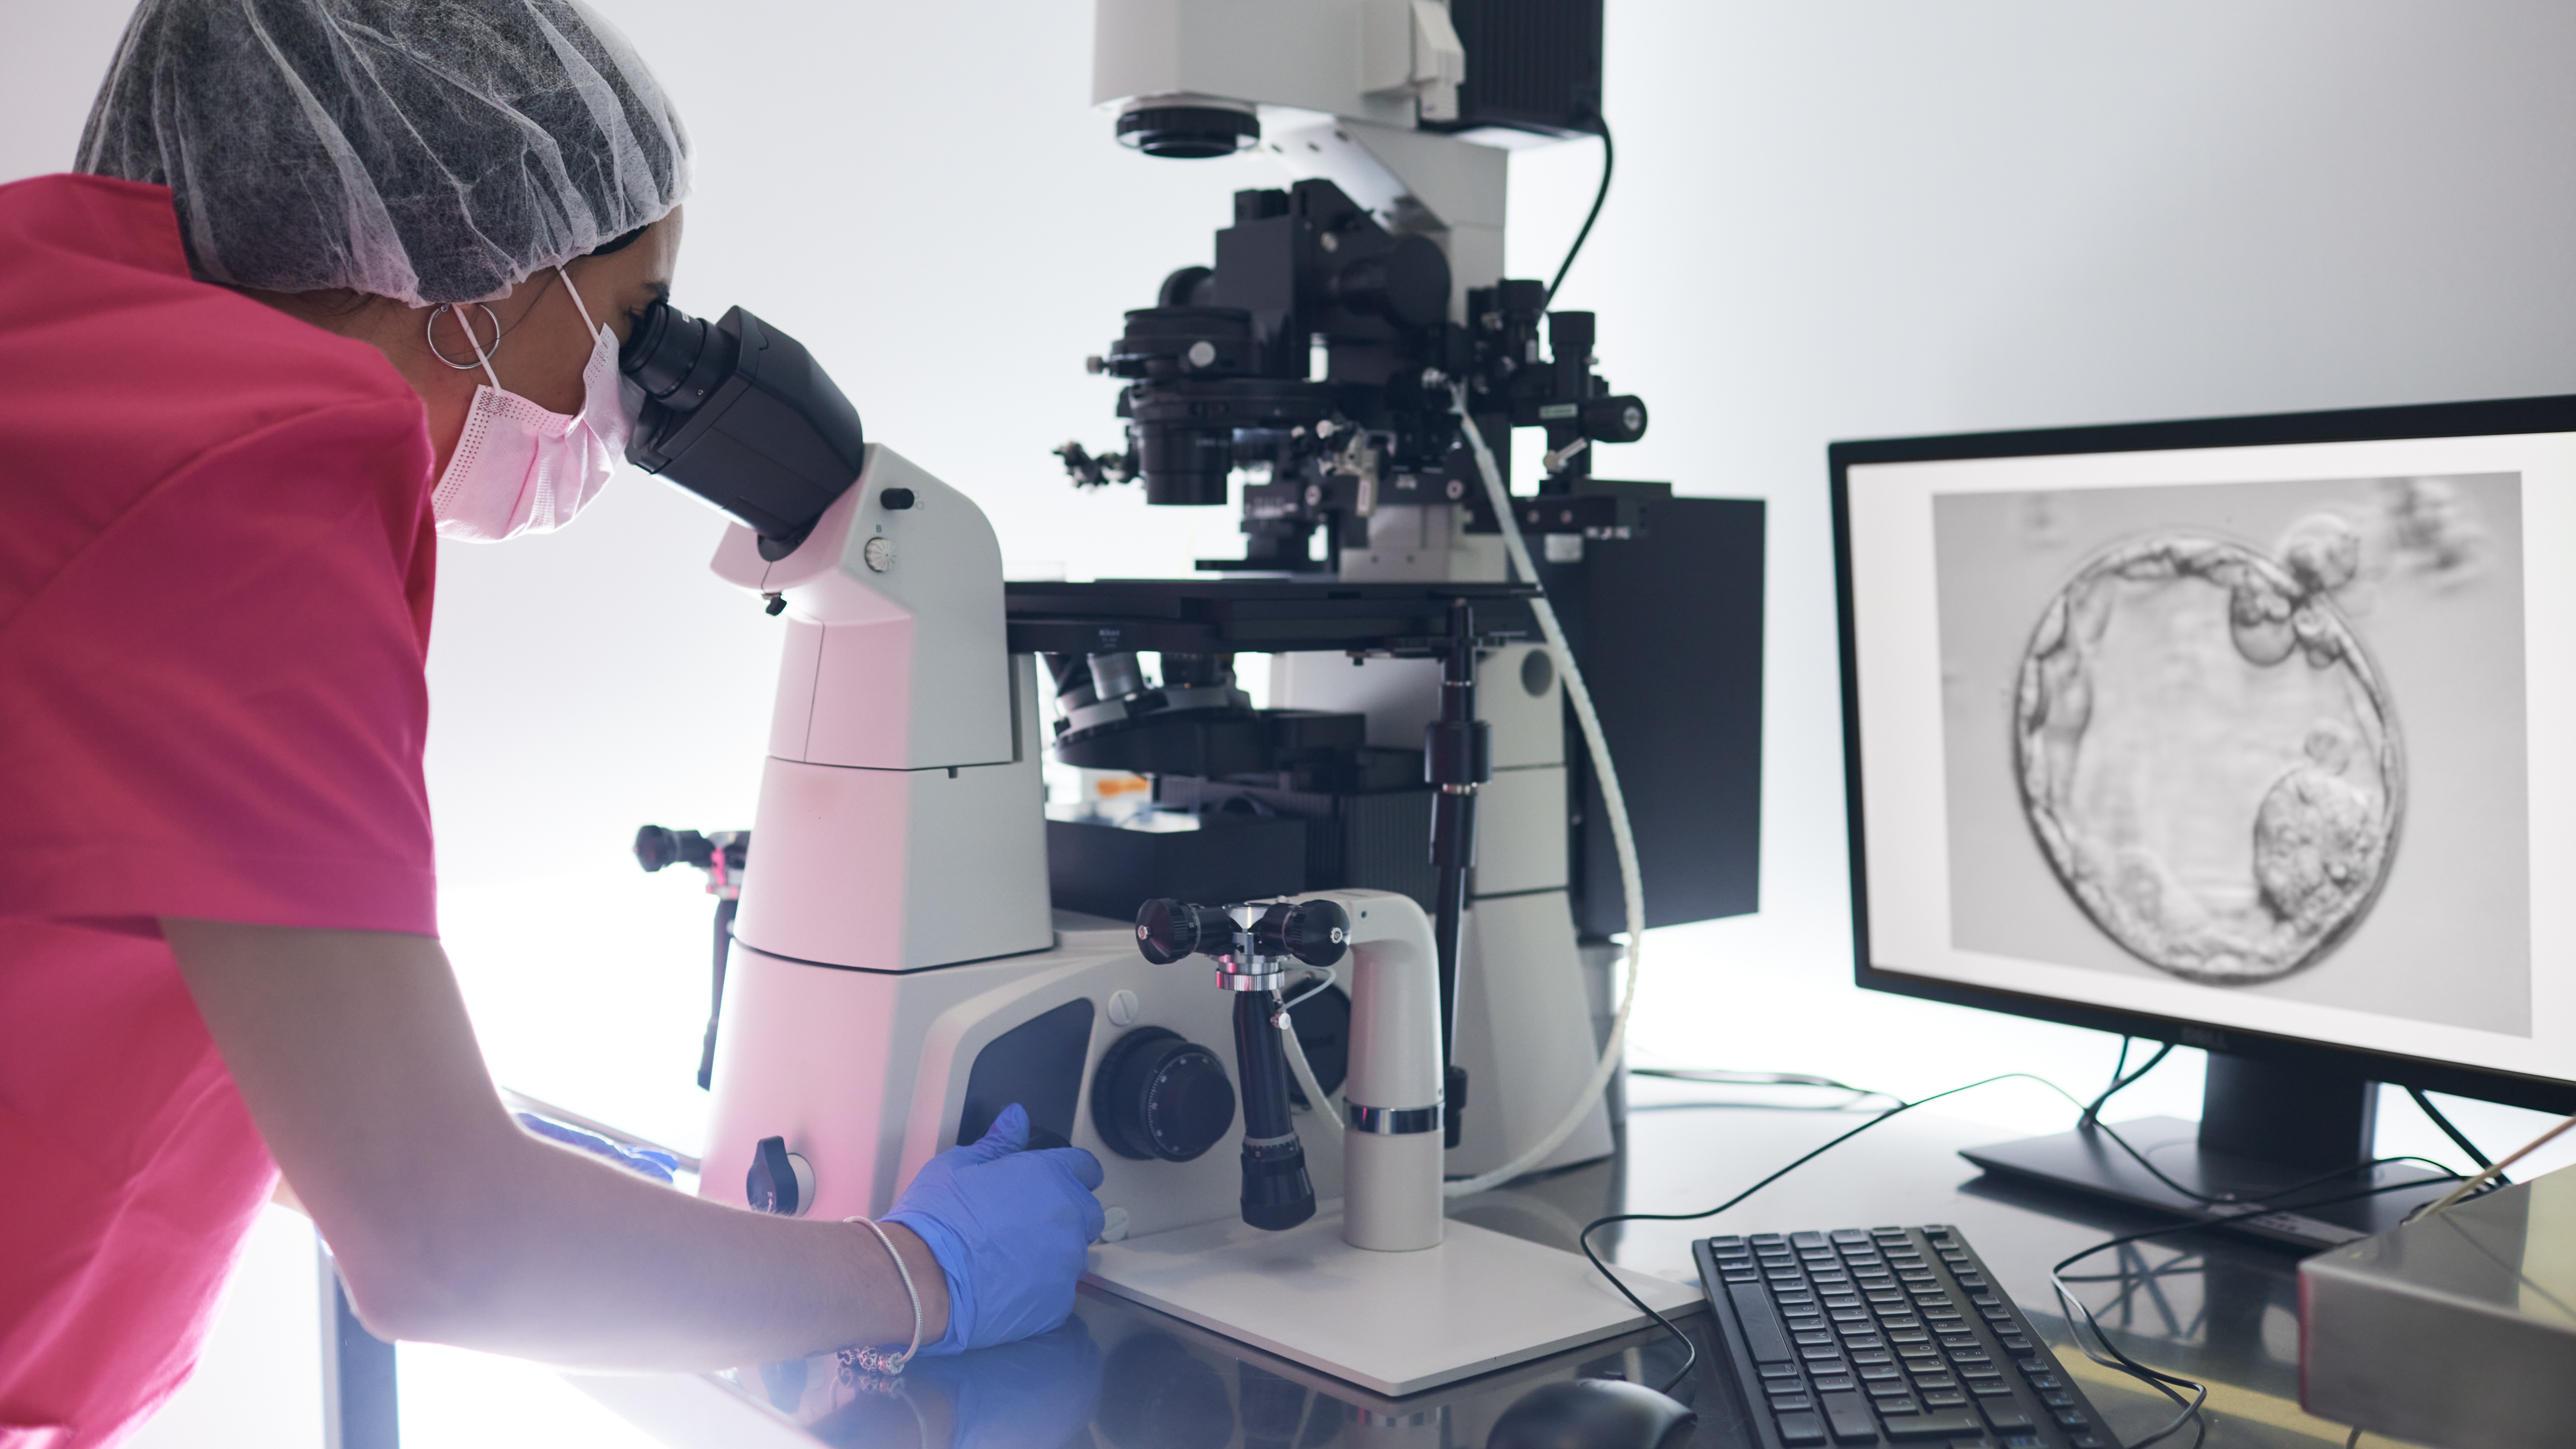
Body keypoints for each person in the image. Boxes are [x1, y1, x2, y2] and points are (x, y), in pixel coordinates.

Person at [0, 2, 1104, 1442]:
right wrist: (911, 1276)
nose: (627, 398)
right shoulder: (249, 465)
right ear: (468, 278)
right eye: (630, 321)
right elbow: (448, 1248)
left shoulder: (65, 349)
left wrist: (398, 1124)